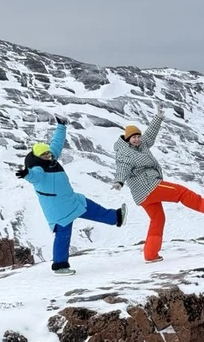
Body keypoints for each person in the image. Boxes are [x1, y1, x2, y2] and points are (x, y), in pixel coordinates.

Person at [17, 115, 127, 276]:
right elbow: (35, 177)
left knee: (92, 207)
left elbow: (56, 144)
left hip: (71, 199)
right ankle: (60, 265)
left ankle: (115, 218)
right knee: (63, 236)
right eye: (45, 155)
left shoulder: (51, 158)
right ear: (37, 158)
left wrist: (61, 126)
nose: (49, 156)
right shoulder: (39, 170)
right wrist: (27, 174)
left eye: (48, 153)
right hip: (59, 210)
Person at [113, 103, 204, 262]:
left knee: (158, 219)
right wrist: (119, 181)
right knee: (181, 192)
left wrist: (158, 117)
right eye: (133, 137)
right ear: (127, 139)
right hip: (149, 186)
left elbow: (150, 135)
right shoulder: (125, 153)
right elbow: (123, 167)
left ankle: (150, 254)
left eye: (138, 136)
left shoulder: (142, 144)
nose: (137, 139)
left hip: (142, 196)